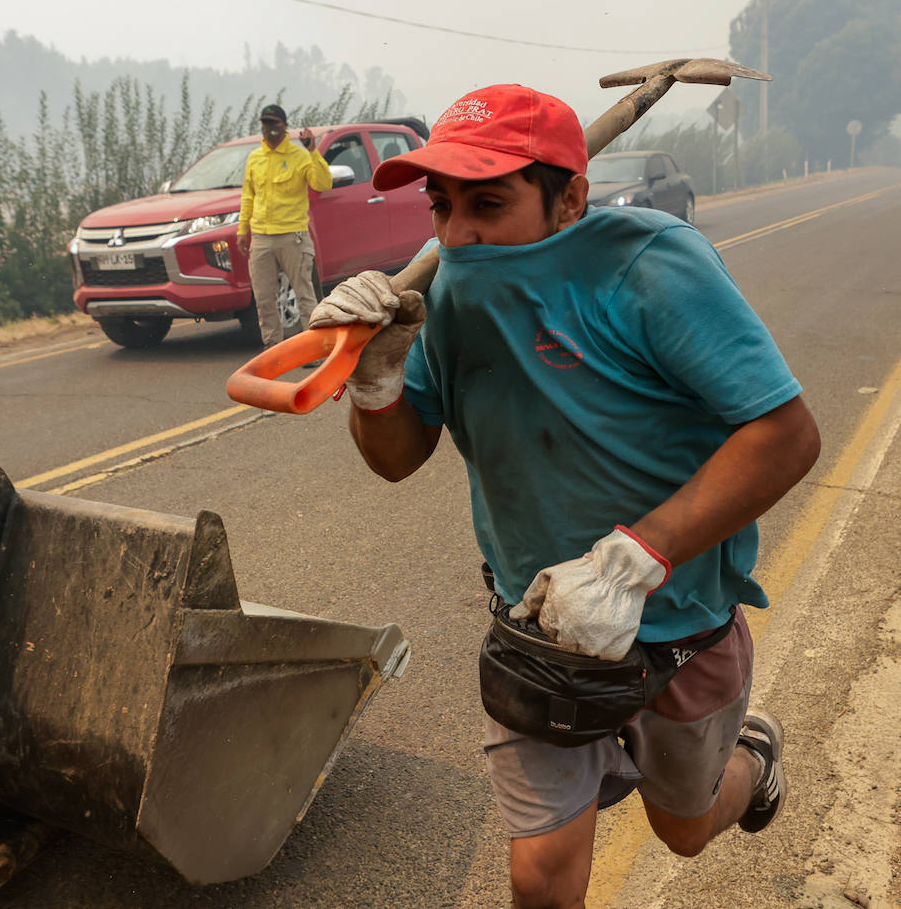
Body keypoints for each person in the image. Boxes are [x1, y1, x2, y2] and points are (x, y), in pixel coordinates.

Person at [309, 84, 821, 907]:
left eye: (488, 203)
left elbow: (786, 436)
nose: (457, 235)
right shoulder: (447, 293)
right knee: (540, 877)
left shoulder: (652, 268)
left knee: (684, 828)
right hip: (539, 634)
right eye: (443, 206)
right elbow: (398, 459)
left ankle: (751, 762)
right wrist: (376, 382)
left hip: (678, 628)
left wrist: (633, 564)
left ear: (569, 199)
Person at [235, 103, 332, 349]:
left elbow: (323, 184)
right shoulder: (255, 158)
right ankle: (273, 348)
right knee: (264, 299)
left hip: (293, 237)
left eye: (275, 124)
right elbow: (248, 196)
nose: (271, 130)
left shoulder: (300, 156)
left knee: (304, 296)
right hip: (261, 238)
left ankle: (313, 349)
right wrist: (242, 229)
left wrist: (312, 151)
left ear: (286, 126)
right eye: (266, 125)